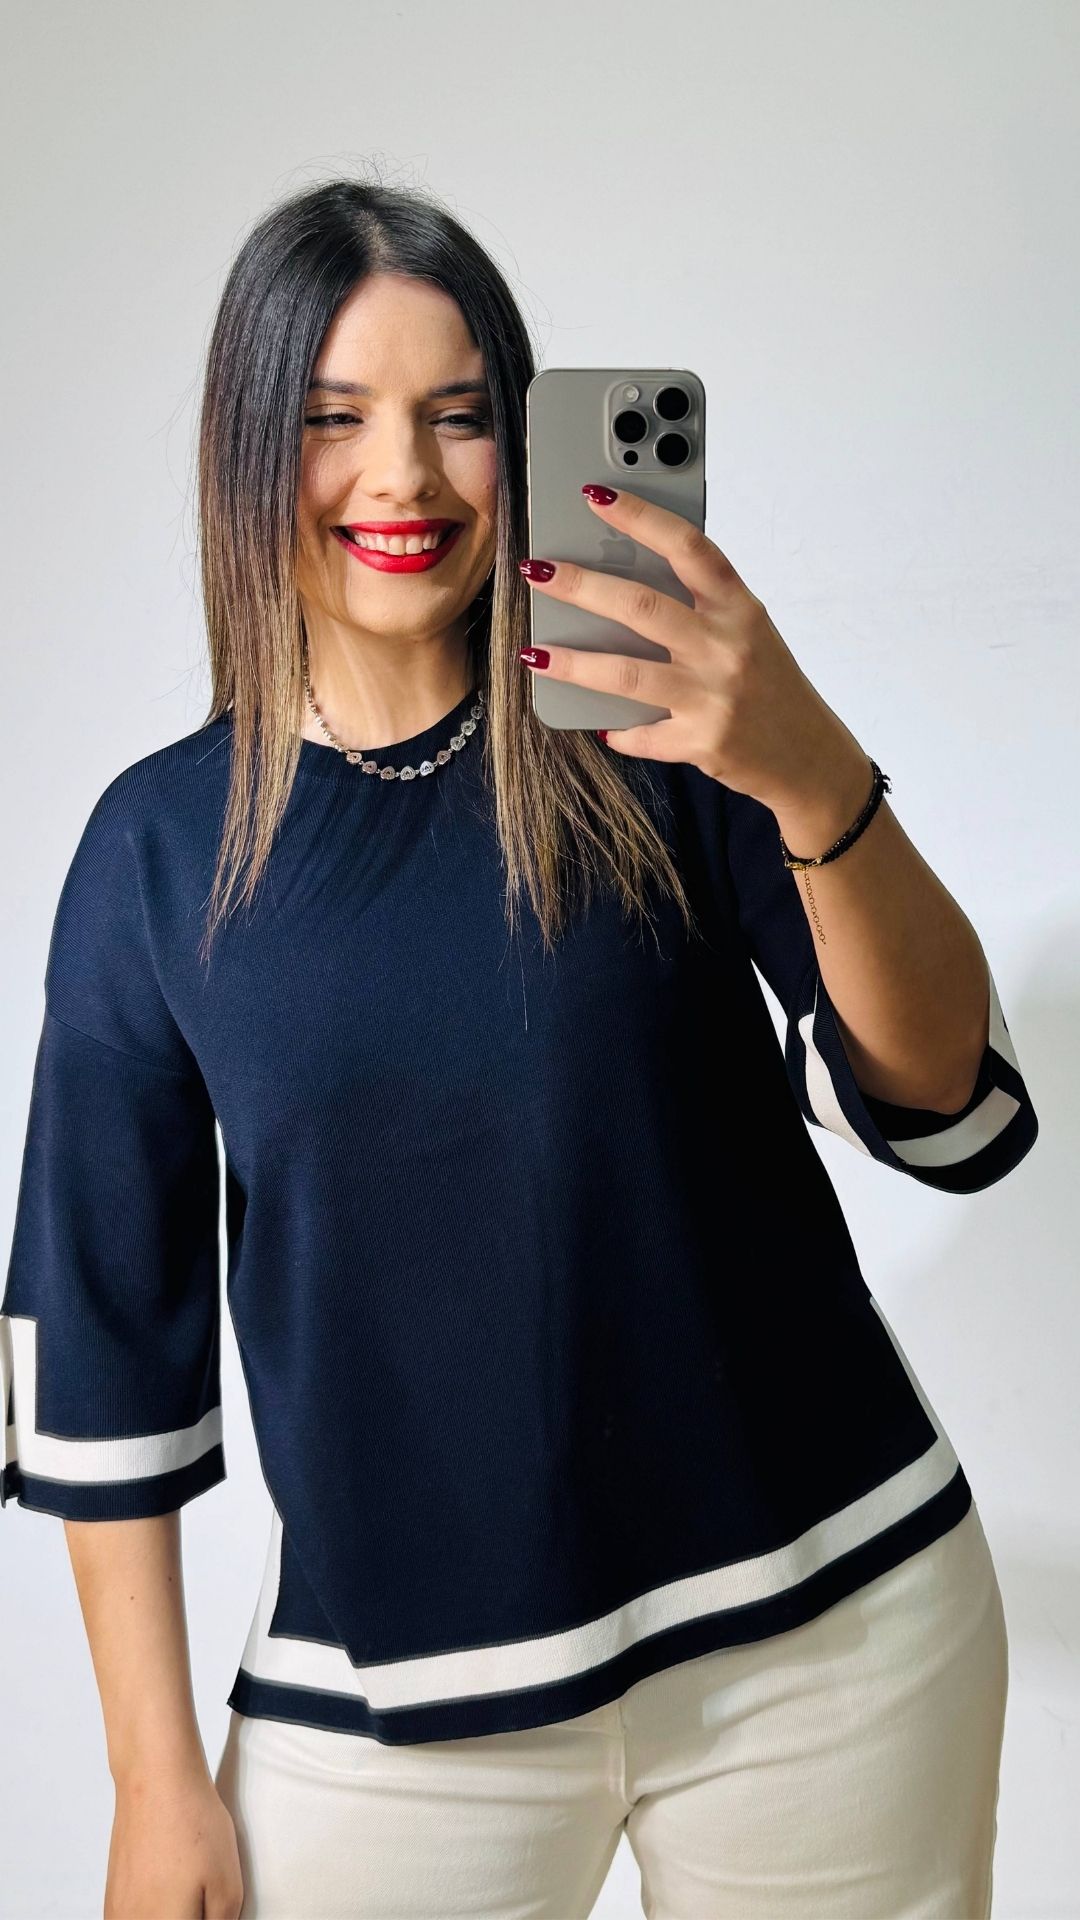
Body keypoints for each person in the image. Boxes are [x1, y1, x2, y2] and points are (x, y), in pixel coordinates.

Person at [0, 177, 1037, 1920]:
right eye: (333, 419)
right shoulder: (159, 856)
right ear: (247, 453)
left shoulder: (669, 739)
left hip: (838, 1639)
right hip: (391, 1711)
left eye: (459, 414)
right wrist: (152, 1780)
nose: (401, 476)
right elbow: (103, 1343)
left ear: (528, 440)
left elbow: (942, 1102)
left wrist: (803, 762)